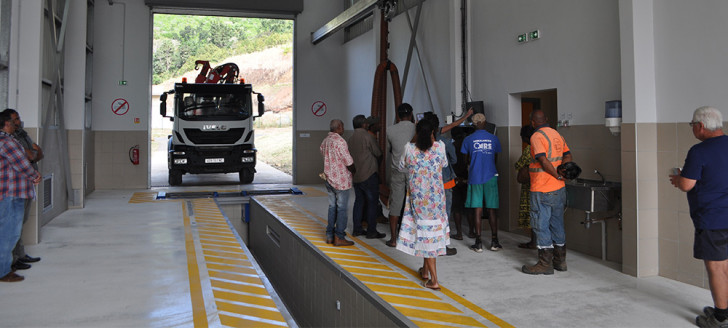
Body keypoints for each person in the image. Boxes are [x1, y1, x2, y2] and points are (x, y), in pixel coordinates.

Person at [669, 106, 728, 327]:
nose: (692, 129)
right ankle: (725, 307)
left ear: (700, 126)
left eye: (692, 125)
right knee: (726, 265)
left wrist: (677, 178)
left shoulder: (699, 151)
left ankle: (721, 318)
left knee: (716, 267)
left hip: (713, 218)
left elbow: (686, 184)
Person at [395, 118, 450, 290]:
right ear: (433, 132)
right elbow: (445, 164)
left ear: (417, 132)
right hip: (437, 203)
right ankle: (425, 273)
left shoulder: (409, 148)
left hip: (418, 203)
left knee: (426, 238)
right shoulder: (440, 147)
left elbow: (400, 166)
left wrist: (414, 140)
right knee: (429, 238)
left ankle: (434, 281)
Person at [522, 109, 572, 275]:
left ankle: (544, 264)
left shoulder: (536, 136)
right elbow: (568, 155)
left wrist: (557, 174)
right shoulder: (557, 134)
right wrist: (562, 173)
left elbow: (543, 161)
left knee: (540, 225)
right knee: (557, 224)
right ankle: (560, 262)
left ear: (533, 123)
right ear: (547, 119)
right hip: (559, 190)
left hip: (542, 189)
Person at [0, 111, 41, 282]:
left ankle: (7, 264)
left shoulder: (10, 140)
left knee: (8, 232)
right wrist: (34, 176)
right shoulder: (7, 142)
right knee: (9, 234)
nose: (18, 123)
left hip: (9, 193)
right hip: (12, 194)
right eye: (15, 120)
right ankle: (3, 271)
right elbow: (22, 163)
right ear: (7, 123)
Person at [461, 113, 502, 252]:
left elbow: (465, 159)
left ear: (473, 124)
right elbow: (495, 158)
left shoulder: (468, 139)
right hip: (491, 176)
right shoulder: (494, 138)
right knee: (492, 210)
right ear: (485, 123)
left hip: (475, 177)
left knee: (477, 209)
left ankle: (478, 242)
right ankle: (494, 241)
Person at [348, 115, 385, 239]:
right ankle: (371, 231)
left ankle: (357, 229)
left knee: (359, 202)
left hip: (356, 176)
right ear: (363, 124)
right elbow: (378, 152)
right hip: (369, 174)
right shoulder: (368, 136)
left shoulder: (350, 138)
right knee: (372, 203)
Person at [320, 119, 356, 247]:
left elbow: (322, 153)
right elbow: (348, 161)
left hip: (329, 179)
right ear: (339, 127)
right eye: (343, 127)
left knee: (332, 207)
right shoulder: (340, 141)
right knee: (342, 208)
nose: (344, 129)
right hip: (341, 181)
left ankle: (329, 235)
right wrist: (354, 171)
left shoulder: (325, 141)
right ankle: (339, 237)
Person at [385, 103, 416, 247]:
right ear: (411, 114)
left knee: (396, 205)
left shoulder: (390, 130)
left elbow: (390, 150)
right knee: (415, 204)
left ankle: (393, 239)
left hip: (397, 170)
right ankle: (414, 237)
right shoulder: (417, 128)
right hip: (413, 171)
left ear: (398, 115)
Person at [515, 124, 537, 249]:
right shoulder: (541, 146)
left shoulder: (530, 149)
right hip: (539, 185)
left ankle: (534, 242)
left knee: (532, 215)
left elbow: (518, 164)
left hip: (530, 187)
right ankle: (535, 241)